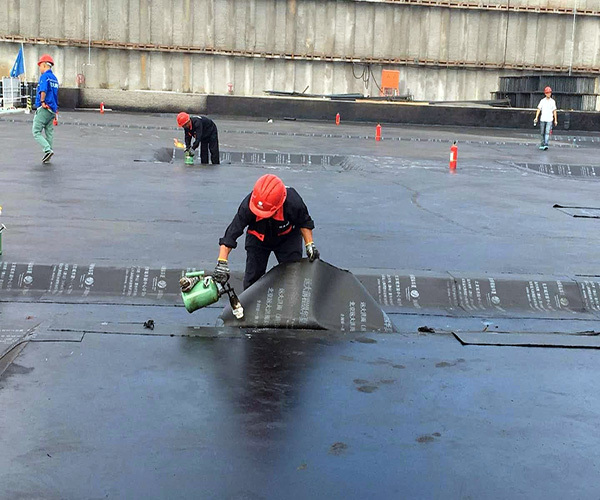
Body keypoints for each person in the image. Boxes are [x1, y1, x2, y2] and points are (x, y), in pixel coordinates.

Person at [212, 174, 319, 290]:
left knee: (292, 277)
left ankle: (291, 304)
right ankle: (251, 306)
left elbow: (304, 222)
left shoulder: (293, 201)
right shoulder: (248, 205)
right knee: (252, 280)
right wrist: (222, 262)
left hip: (287, 239)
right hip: (258, 238)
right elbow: (231, 234)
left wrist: (310, 244)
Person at [33, 54, 59, 163]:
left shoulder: (44, 77)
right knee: (49, 132)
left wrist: (42, 101)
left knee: (36, 131)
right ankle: (49, 151)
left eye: (40, 66)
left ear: (44, 65)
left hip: (44, 107)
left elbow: (43, 90)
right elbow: (55, 95)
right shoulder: (55, 79)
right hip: (52, 109)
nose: (40, 68)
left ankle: (47, 150)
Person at [534, 86, 558, 151]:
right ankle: (542, 144)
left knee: (547, 132)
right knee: (542, 132)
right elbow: (539, 109)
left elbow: (554, 111)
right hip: (543, 118)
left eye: (549, 93)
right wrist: (536, 117)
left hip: (549, 119)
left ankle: (546, 144)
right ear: (545, 93)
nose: (548, 94)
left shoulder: (552, 101)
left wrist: (555, 120)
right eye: (547, 93)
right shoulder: (542, 101)